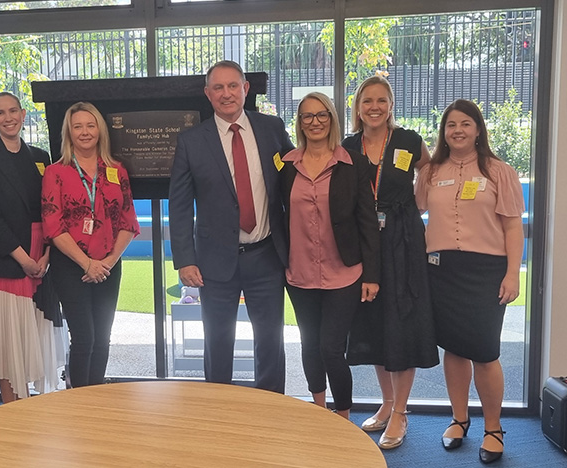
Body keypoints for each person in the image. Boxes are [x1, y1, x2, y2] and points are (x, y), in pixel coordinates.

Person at [169, 60, 293, 393]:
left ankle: (270, 407)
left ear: (245, 89)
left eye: (233, 86)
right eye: (219, 88)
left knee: (270, 341)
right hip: (213, 262)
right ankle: (217, 411)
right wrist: (184, 259)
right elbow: (179, 205)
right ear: (208, 94)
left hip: (266, 255)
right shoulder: (191, 141)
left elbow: (297, 179)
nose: (227, 94)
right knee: (218, 342)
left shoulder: (272, 129)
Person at [415, 99, 524, 464]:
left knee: (485, 351)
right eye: (450, 125)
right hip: (441, 270)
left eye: (465, 124)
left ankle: (493, 428)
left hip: (485, 272)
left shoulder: (499, 171)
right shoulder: (431, 171)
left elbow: (512, 226)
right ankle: (459, 419)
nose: (457, 130)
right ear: (443, 132)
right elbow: (413, 209)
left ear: (478, 129)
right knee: (454, 348)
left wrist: (513, 273)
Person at [341, 75, 439, 448]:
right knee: (375, 322)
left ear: (391, 104)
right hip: (366, 241)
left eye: (382, 100)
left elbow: (429, 172)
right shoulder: (348, 146)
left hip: (403, 239)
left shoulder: (410, 141)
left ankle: (401, 412)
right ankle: (386, 404)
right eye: (368, 101)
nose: (375, 107)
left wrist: (416, 205)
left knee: (402, 320)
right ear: (358, 106)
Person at [277, 92, 380, 419]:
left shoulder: (353, 164)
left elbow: (367, 221)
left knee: (332, 349)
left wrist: (372, 275)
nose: (315, 121)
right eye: (307, 116)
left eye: (321, 115)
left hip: (343, 274)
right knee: (310, 345)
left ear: (332, 119)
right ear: (300, 122)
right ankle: (319, 411)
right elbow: (277, 214)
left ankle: (344, 415)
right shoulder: (286, 164)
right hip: (299, 273)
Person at [0, 92, 63, 401]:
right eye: (0, 112)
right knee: (7, 344)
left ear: (23, 115)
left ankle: (32, 410)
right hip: (4, 260)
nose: (8, 117)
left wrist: (47, 254)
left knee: (32, 338)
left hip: (42, 257)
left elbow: (51, 208)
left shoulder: (40, 157)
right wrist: (24, 259)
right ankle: (13, 411)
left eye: (13, 111)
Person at [41, 101, 139, 388]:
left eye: (90, 125)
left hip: (108, 266)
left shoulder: (116, 171)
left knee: (103, 337)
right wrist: (87, 264)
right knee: (84, 337)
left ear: (100, 130)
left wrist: (106, 263)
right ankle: (79, 402)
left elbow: (128, 223)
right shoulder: (55, 173)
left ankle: (97, 398)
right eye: (77, 126)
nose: (85, 132)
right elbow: (53, 226)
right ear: (69, 133)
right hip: (72, 268)